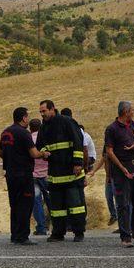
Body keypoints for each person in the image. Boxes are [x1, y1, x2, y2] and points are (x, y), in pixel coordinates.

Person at [0, 107, 50, 245]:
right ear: (23, 118)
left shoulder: (5, 132)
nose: (28, 119)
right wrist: (43, 154)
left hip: (10, 175)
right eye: (27, 116)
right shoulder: (23, 133)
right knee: (25, 204)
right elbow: (34, 154)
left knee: (14, 205)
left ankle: (15, 234)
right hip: (24, 174)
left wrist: (11, 157)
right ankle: (22, 236)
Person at [36, 100, 86, 242]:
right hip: (55, 174)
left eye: (44, 111)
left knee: (76, 206)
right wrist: (44, 152)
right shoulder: (44, 127)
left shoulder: (67, 122)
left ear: (53, 109)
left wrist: (77, 163)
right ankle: (58, 233)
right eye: (40, 112)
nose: (42, 114)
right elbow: (40, 145)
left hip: (71, 172)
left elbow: (77, 141)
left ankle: (78, 232)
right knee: (57, 208)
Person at [105, 100, 134, 247]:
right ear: (125, 112)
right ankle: (125, 237)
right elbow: (109, 152)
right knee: (123, 203)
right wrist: (121, 168)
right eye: (132, 110)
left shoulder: (132, 125)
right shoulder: (112, 129)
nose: (133, 112)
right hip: (120, 169)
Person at [30, 118, 51, 236]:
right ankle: (58, 224)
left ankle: (41, 227)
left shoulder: (29, 139)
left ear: (30, 128)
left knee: (37, 202)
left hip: (33, 176)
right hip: (47, 175)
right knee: (51, 200)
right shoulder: (46, 138)